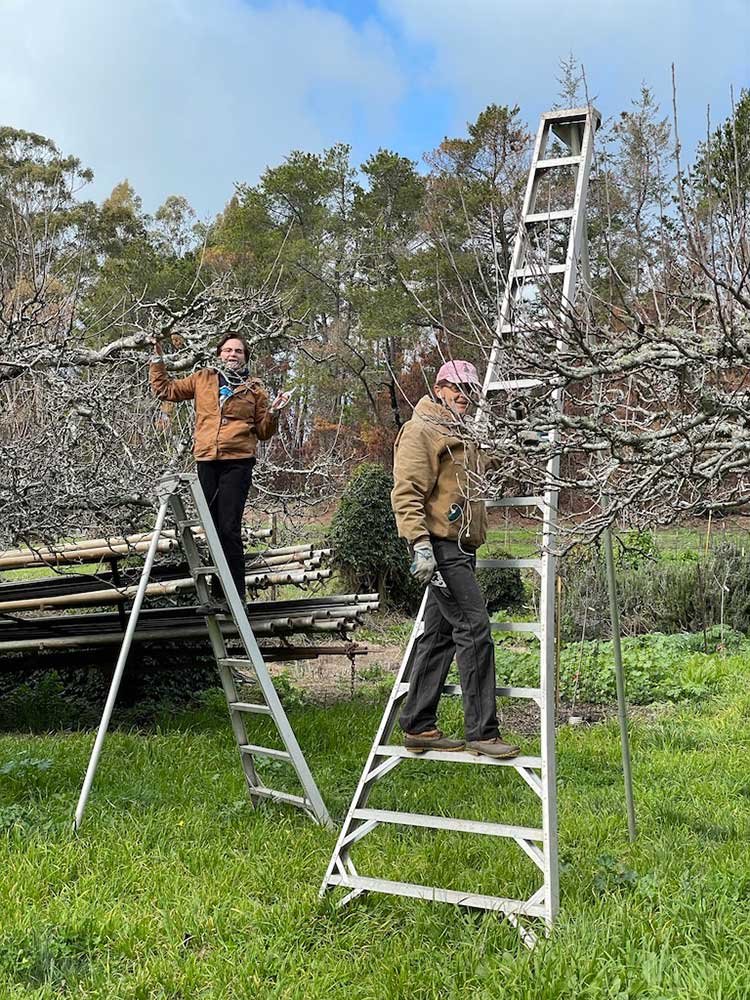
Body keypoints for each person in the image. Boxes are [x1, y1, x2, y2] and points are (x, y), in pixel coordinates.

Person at [391, 359, 520, 759]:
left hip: (462, 547)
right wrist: (419, 544)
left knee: (439, 635)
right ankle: (483, 732)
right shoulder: (422, 430)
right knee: (473, 627)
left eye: (470, 391)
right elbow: (406, 492)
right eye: (456, 388)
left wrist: (518, 433)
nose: (463, 396)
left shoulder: (461, 432)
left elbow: (485, 467)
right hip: (440, 548)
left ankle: (418, 724)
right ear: (440, 387)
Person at [149, 333, 289, 601]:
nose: (232, 354)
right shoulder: (203, 378)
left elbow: (263, 431)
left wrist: (274, 412)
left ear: (245, 357)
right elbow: (164, 390)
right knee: (212, 529)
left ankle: (233, 595)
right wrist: (157, 356)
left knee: (229, 528)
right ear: (219, 354)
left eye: (238, 351)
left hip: (237, 463)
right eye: (227, 350)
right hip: (207, 461)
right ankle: (217, 593)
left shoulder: (255, 390)